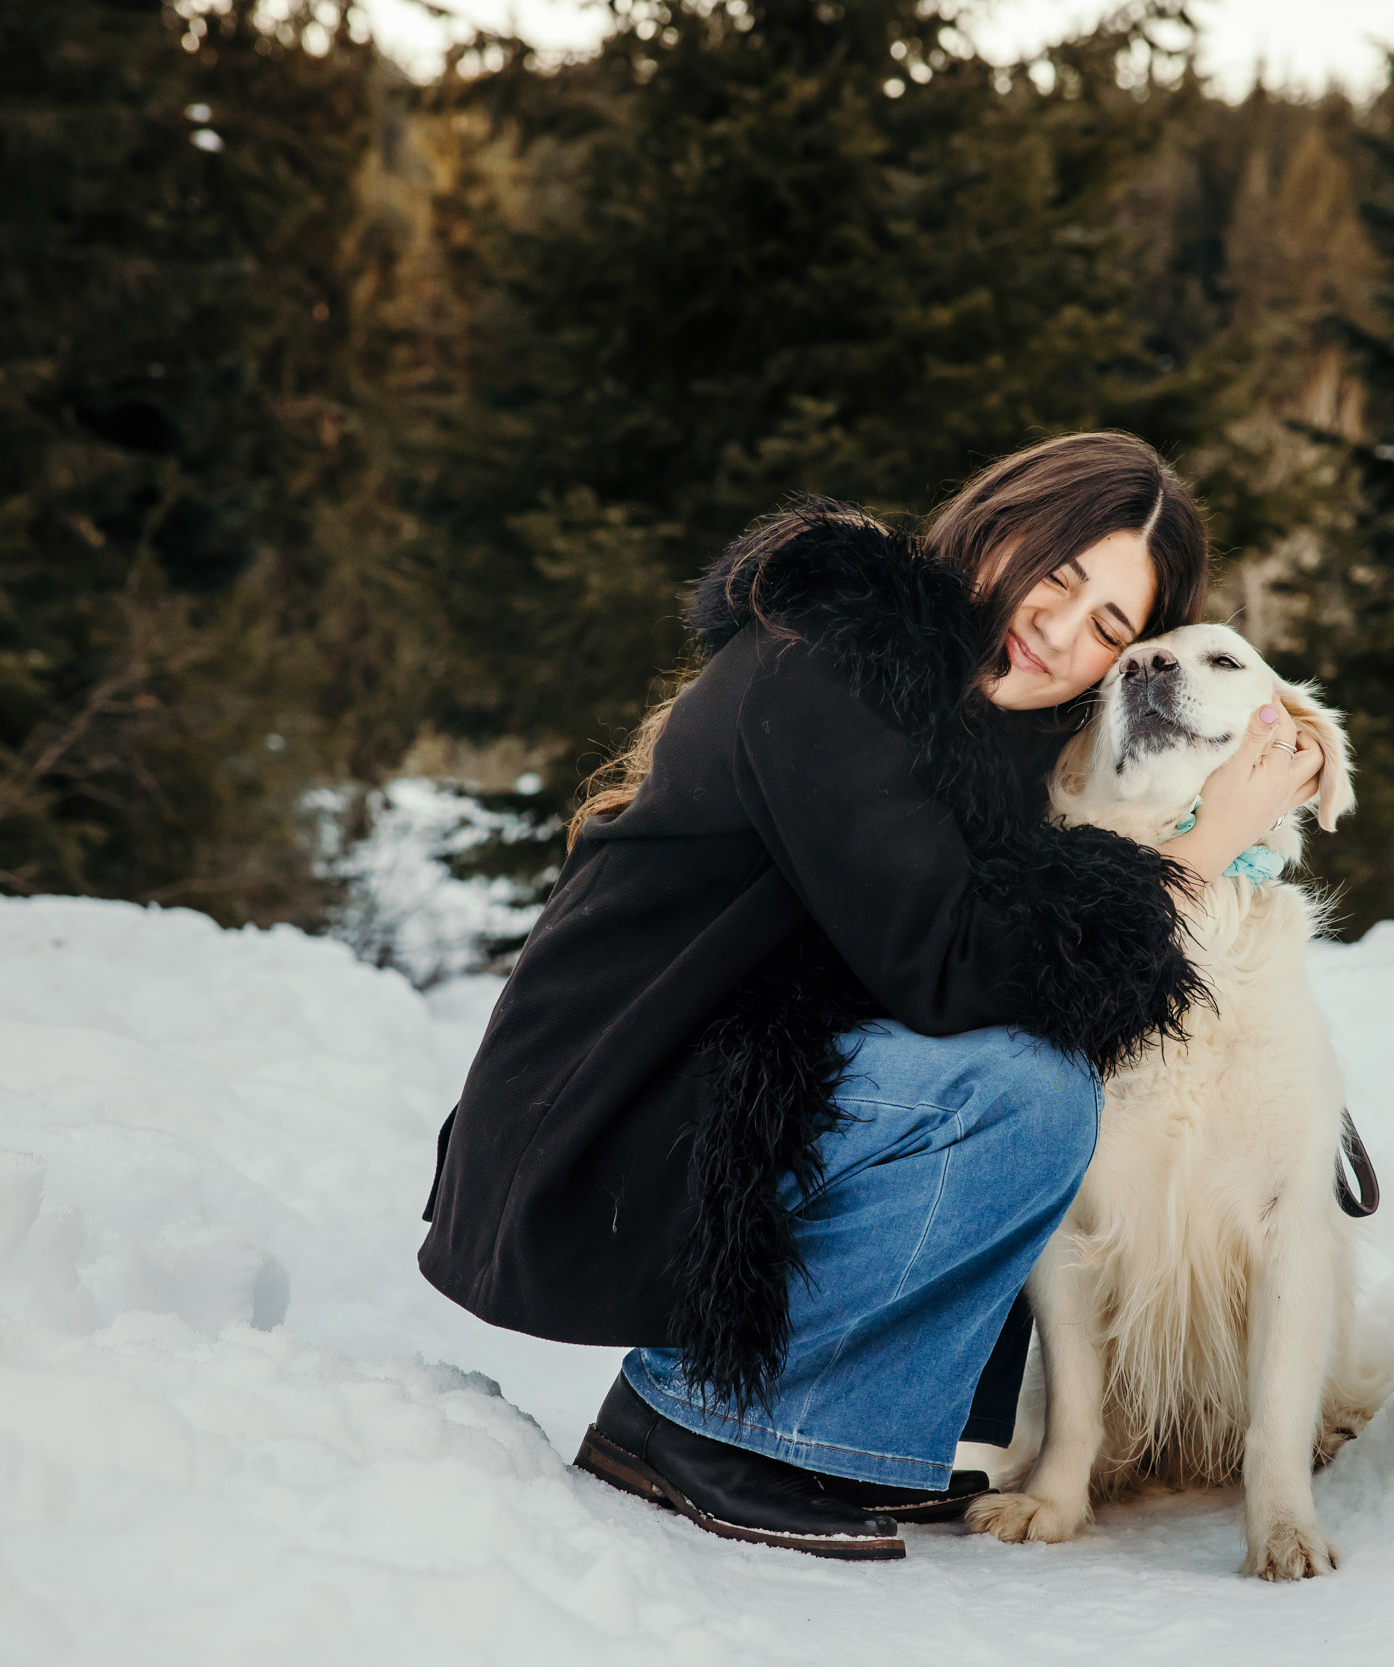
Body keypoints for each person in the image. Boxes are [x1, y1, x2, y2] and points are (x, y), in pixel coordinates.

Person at [417, 430, 1327, 1560]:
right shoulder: (832, 661)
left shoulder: (988, 731)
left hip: (744, 1078)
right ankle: (685, 1420)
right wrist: (1193, 859)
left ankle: (808, 1434)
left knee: (1030, 1080)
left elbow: (1028, 944)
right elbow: (948, 967)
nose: (1061, 628)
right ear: (994, 530)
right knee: (1021, 1092)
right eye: (1057, 574)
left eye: (1108, 625)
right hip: (610, 1095)